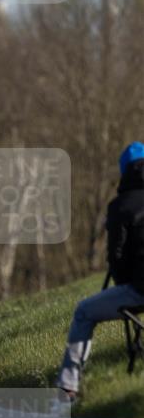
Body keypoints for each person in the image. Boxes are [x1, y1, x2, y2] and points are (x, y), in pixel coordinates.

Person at [56, 141, 144, 402]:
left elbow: (116, 258)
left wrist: (125, 282)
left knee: (84, 312)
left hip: (140, 289)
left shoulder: (120, 207)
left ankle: (68, 388)